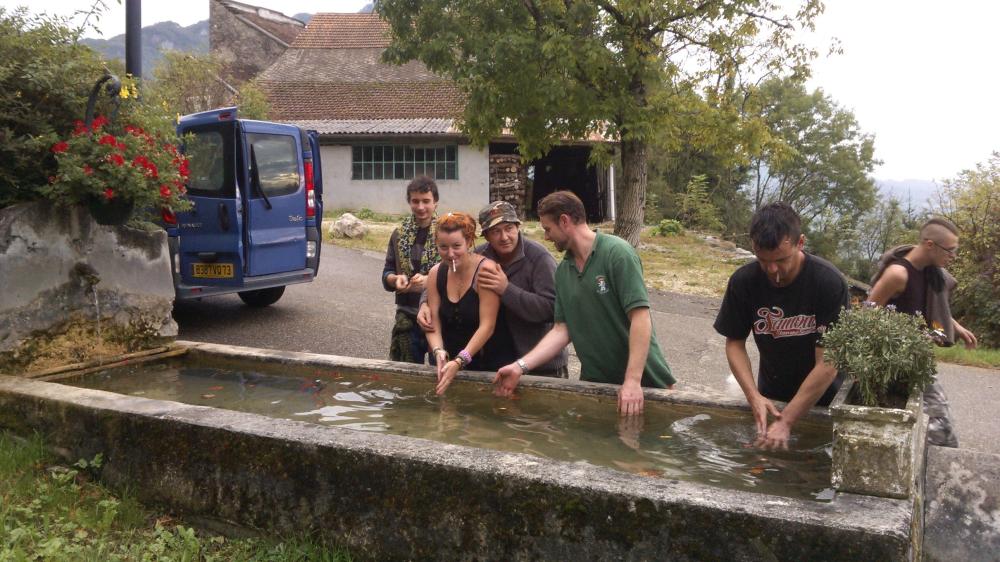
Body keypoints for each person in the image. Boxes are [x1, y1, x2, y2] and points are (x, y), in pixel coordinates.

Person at [493, 191, 675, 416]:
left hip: (645, 383)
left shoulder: (617, 254)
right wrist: (520, 367)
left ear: (564, 221)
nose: (547, 238)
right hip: (596, 383)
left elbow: (641, 317)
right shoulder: (563, 272)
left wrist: (632, 381)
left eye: (548, 229)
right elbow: (561, 330)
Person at [713, 202, 849, 450]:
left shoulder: (828, 282)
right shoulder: (743, 282)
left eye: (781, 259)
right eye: (763, 260)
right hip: (772, 395)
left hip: (825, 400)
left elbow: (829, 363)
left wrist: (787, 421)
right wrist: (753, 396)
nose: (773, 270)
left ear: (801, 243)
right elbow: (734, 343)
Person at [417, 200, 568, 376]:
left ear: (518, 227)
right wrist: (424, 303)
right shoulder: (480, 254)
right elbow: (447, 272)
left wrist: (506, 289)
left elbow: (552, 309)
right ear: (486, 236)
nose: (504, 237)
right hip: (503, 360)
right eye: (496, 231)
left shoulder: (539, 259)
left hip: (541, 361)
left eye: (509, 228)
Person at [867, 217, 974, 447]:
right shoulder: (898, 274)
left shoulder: (929, 271)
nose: (953, 256)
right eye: (950, 250)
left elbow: (929, 310)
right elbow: (867, 314)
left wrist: (955, 326)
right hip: (893, 362)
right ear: (929, 245)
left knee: (938, 429)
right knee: (940, 430)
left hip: (917, 360)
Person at [425, 212, 515, 395]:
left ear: (469, 242)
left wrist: (460, 360)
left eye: (457, 246)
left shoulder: (486, 270)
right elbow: (433, 321)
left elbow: (487, 326)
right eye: (443, 247)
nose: (450, 254)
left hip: (488, 362)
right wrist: (438, 351)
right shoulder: (436, 273)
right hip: (450, 360)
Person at [382, 176, 440, 364]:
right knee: (405, 376)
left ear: (435, 203)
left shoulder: (447, 233)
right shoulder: (399, 234)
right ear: (409, 202)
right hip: (407, 316)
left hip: (439, 316)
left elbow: (460, 273)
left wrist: (429, 283)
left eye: (426, 201)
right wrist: (395, 279)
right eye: (415, 201)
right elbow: (387, 271)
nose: (421, 207)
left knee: (438, 375)